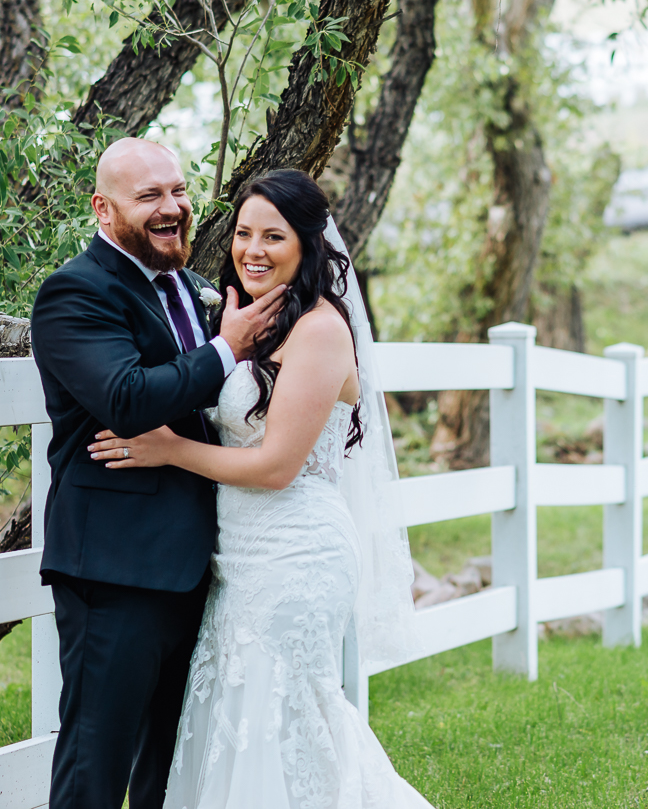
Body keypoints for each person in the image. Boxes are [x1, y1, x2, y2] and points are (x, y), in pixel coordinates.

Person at [87, 169, 430, 809]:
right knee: (234, 721)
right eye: (244, 233)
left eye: (274, 236)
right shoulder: (251, 321)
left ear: (307, 244)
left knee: (287, 721)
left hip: (296, 555)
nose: (253, 250)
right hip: (238, 558)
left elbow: (276, 466)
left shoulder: (320, 330)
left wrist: (167, 450)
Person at [31, 138, 282, 809]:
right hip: (114, 570)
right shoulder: (74, 293)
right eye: (150, 198)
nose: (172, 208)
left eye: (177, 191)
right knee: (95, 766)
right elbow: (127, 397)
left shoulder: (201, 292)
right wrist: (228, 347)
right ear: (102, 209)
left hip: (200, 565)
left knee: (170, 774)